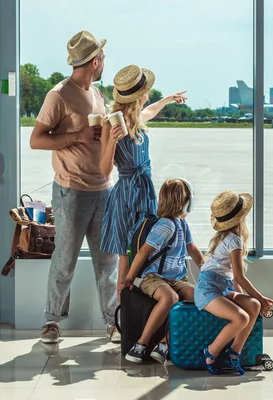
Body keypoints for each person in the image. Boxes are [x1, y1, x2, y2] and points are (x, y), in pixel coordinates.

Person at [30, 30, 120, 344]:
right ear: (95, 61)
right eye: (103, 58)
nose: (105, 62)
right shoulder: (58, 95)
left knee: (108, 261)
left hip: (104, 189)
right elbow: (36, 140)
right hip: (71, 190)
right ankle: (52, 321)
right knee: (65, 258)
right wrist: (76, 137)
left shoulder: (97, 94)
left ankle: (114, 321)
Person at [98, 64, 187, 295]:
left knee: (144, 248)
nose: (149, 95)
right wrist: (112, 142)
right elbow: (104, 171)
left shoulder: (139, 117)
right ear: (140, 96)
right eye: (147, 91)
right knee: (126, 255)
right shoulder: (111, 123)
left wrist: (167, 99)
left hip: (145, 192)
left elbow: (152, 110)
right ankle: (124, 318)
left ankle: (144, 307)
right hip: (126, 194)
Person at [122, 179, 204, 364]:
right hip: (153, 278)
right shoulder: (166, 225)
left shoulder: (182, 225)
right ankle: (140, 345)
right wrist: (129, 279)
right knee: (170, 298)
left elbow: (192, 248)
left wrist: (206, 271)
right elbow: (144, 252)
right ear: (185, 202)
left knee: (199, 298)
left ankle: (165, 342)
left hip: (176, 278)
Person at [195, 190, 273, 375]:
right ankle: (211, 351)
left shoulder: (223, 237)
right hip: (208, 290)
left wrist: (251, 299)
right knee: (242, 317)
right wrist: (262, 298)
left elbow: (232, 278)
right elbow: (239, 277)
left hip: (221, 287)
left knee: (252, 305)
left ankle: (234, 352)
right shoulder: (234, 241)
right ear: (241, 218)